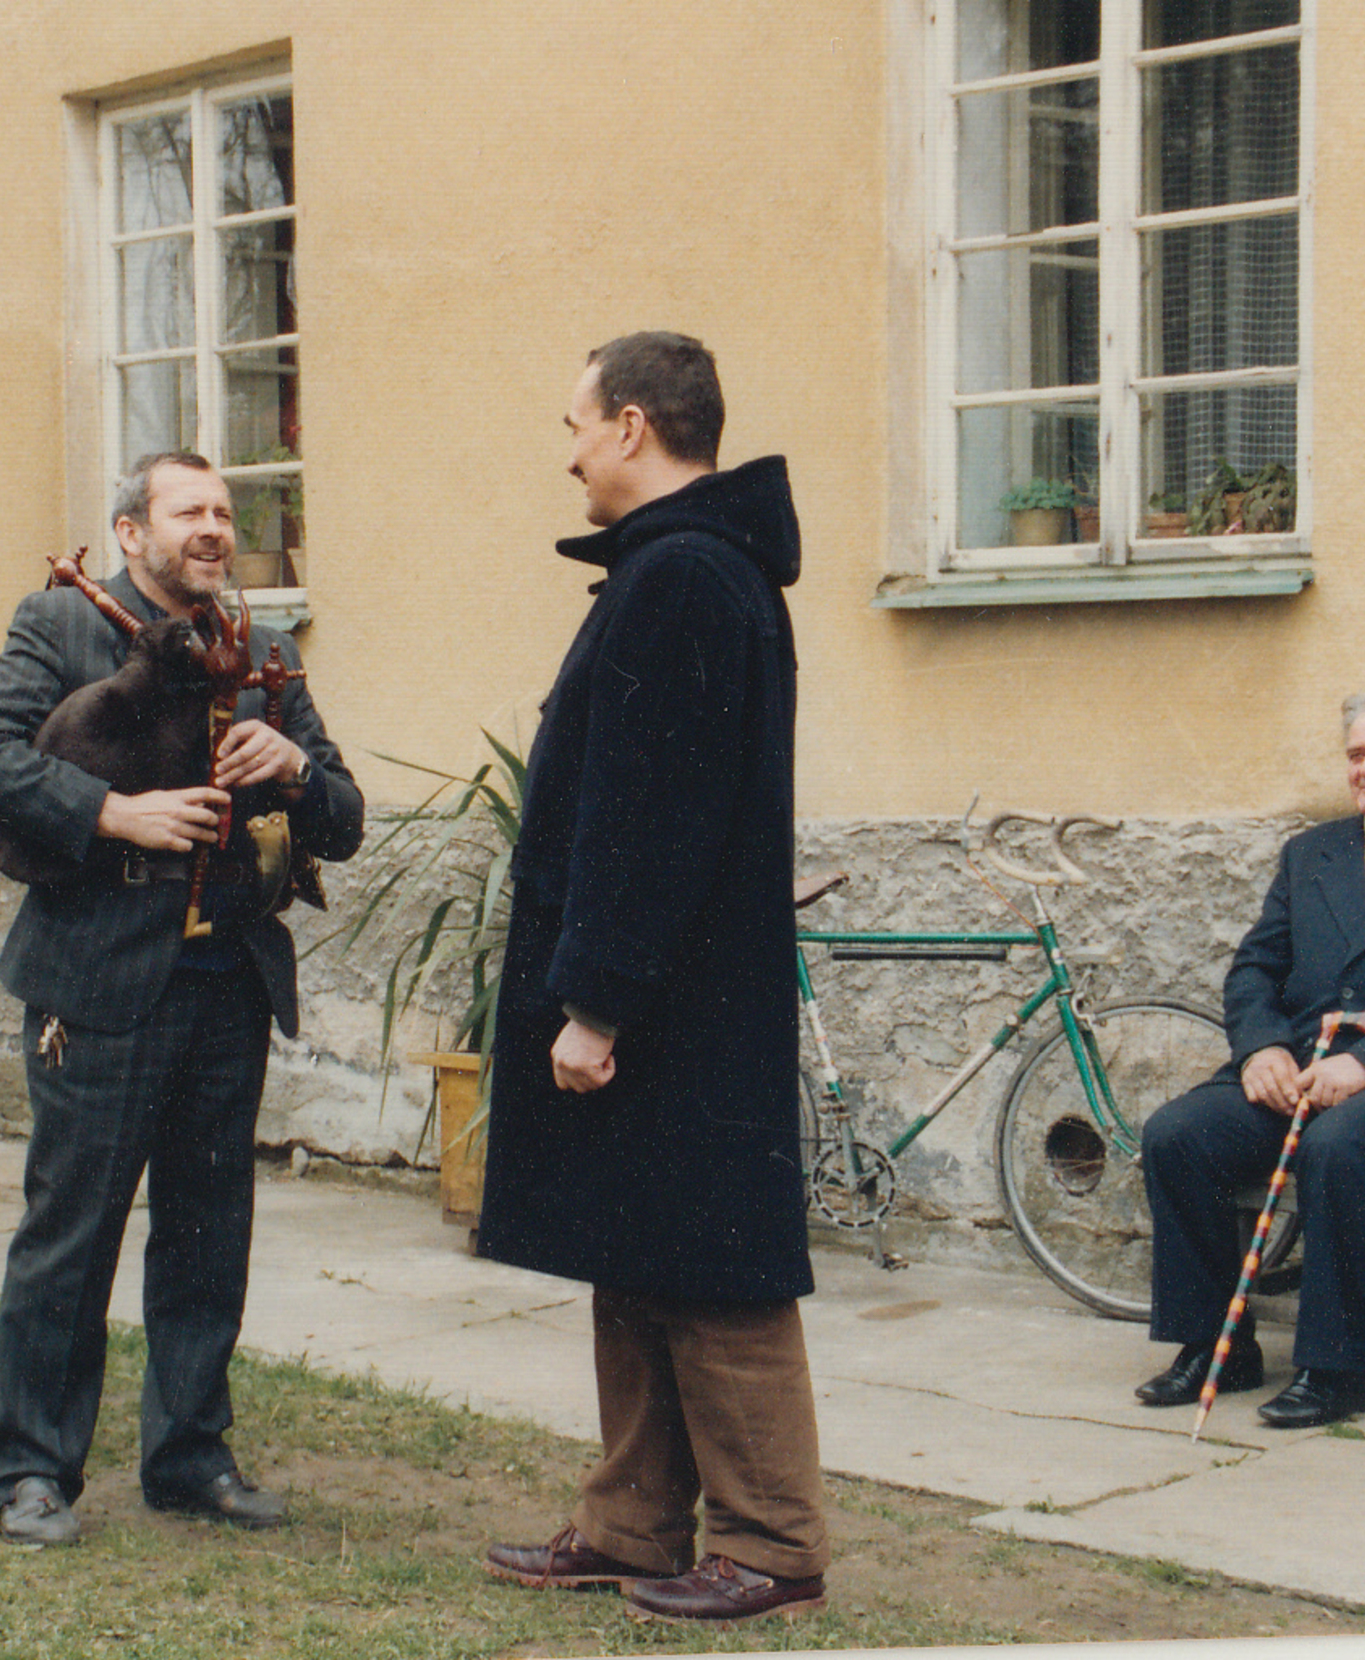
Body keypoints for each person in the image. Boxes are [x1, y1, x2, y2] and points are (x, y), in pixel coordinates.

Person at [0, 452, 364, 1545]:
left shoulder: (264, 650)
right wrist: (110, 813)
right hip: (97, 981)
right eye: (189, 512)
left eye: (224, 510)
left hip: (228, 984)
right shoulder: (61, 625)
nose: (214, 527)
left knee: (208, 1233)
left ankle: (189, 1457)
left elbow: (346, 817)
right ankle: (30, 1471)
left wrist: (295, 769)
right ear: (132, 534)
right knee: (72, 1233)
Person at [476, 332, 829, 1624]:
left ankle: (774, 1544)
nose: (569, 455)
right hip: (676, 992)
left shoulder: (683, 575)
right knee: (634, 1252)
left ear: (632, 425)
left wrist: (597, 1001)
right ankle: (632, 1523)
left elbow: (652, 813)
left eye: (576, 426)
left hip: (672, 1003)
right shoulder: (687, 568)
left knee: (715, 1269)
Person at [1137, 685, 1365, 1428]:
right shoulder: (1311, 853)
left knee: (1338, 1144)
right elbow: (1254, 968)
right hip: (1304, 1070)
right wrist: (1261, 1047)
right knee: (1178, 1134)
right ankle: (1217, 1349)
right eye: (1356, 753)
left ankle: (1338, 1369)